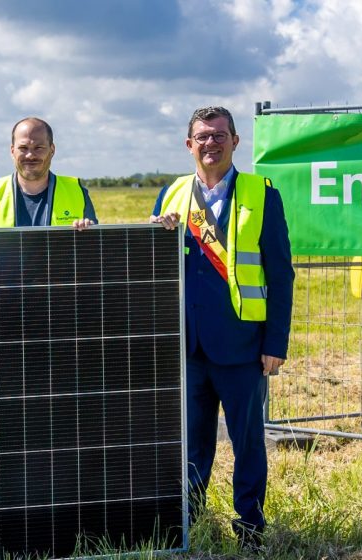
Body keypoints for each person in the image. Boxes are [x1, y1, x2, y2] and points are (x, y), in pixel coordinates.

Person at [151, 106, 293, 551]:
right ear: (188, 145)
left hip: (243, 348)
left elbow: (281, 273)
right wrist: (157, 231)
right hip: (187, 348)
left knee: (248, 444)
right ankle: (188, 526)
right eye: (202, 137)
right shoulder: (171, 195)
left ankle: (250, 527)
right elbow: (152, 268)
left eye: (218, 135)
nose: (210, 143)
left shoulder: (261, 194)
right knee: (192, 447)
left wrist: (276, 342)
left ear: (235, 141)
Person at [0, 117, 97, 231]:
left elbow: (97, 250)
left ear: (52, 150)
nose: (30, 155)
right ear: (12, 151)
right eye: (23, 148)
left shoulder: (76, 191)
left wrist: (87, 235)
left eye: (39, 148)